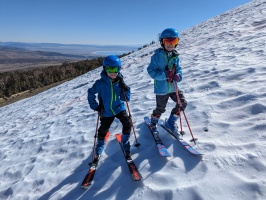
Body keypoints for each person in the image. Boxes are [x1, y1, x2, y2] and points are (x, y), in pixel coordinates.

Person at [88, 55, 132, 161]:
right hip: (106, 111)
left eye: (115, 69)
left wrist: (126, 90)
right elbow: (91, 93)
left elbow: (126, 99)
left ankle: (125, 142)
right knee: (103, 129)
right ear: (105, 69)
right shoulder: (100, 83)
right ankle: (99, 146)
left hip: (119, 108)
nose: (112, 72)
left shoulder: (120, 82)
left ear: (119, 69)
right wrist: (95, 106)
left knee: (127, 123)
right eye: (109, 69)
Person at [147, 28, 187, 135]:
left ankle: (170, 122)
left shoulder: (175, 56)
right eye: (167, 41)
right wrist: (164, 75)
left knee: (182, 103)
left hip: (173, 87)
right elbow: (151, 71)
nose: (170, 44)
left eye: (173, 41)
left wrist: (178, 75)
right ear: (162, 42)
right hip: (161, 88)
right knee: (160, 108)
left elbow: (179, 69)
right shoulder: (156, 56)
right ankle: (153, 123)